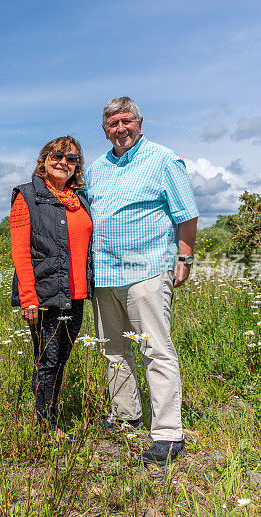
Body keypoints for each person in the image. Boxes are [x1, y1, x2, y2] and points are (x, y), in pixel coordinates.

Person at [84, 96, 199, 466]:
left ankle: (167, 432)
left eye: (126, 121)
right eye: (113, 124)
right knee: (112, 349)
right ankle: (127, 417)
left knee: (156, 350)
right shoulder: (97, 169)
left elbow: (187, 213)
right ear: (105, 130)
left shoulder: (164, 159)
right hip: (103, 273)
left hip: (147, 270)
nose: (121, 129)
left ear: (139, 121)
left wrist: (185, 257)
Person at [10, 136, 94, 440]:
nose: (63, 162)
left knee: (61, 358)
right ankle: (45, 424)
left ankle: (45, 414)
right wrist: (28, 298)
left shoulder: (78, 198)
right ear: (44, 159)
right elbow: (20, 251)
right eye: (57, 156)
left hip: (76, 293)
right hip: (46, 292)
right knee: (47, 358)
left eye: (71, 159)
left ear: (76, 166)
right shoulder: (28, 196)